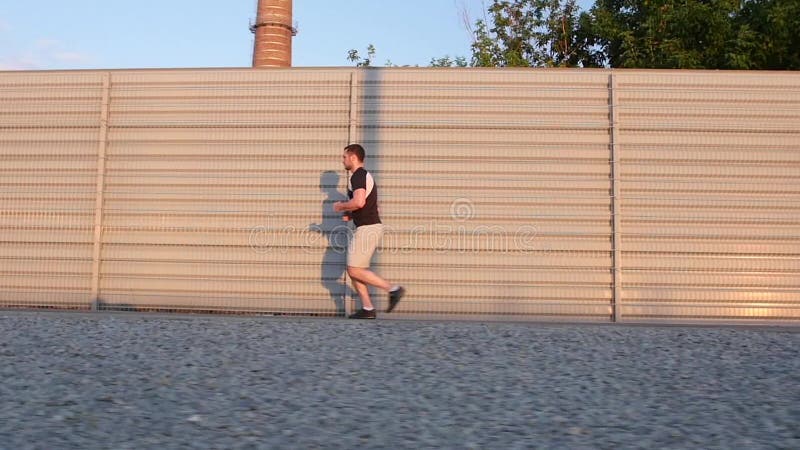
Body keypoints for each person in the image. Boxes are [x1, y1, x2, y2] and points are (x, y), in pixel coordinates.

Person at [333, 144, 405, 319]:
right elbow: (373, 205)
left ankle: (393, 289)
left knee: (354, 270)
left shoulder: (358, 176)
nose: (342, 160)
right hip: (369, 227)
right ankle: (367, 308)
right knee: (356, 269)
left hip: (368, 228)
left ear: (353, 157)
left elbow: (359, 202)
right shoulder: (365, 176)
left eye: (344, 157)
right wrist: (351, 215)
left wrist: (341, 206)